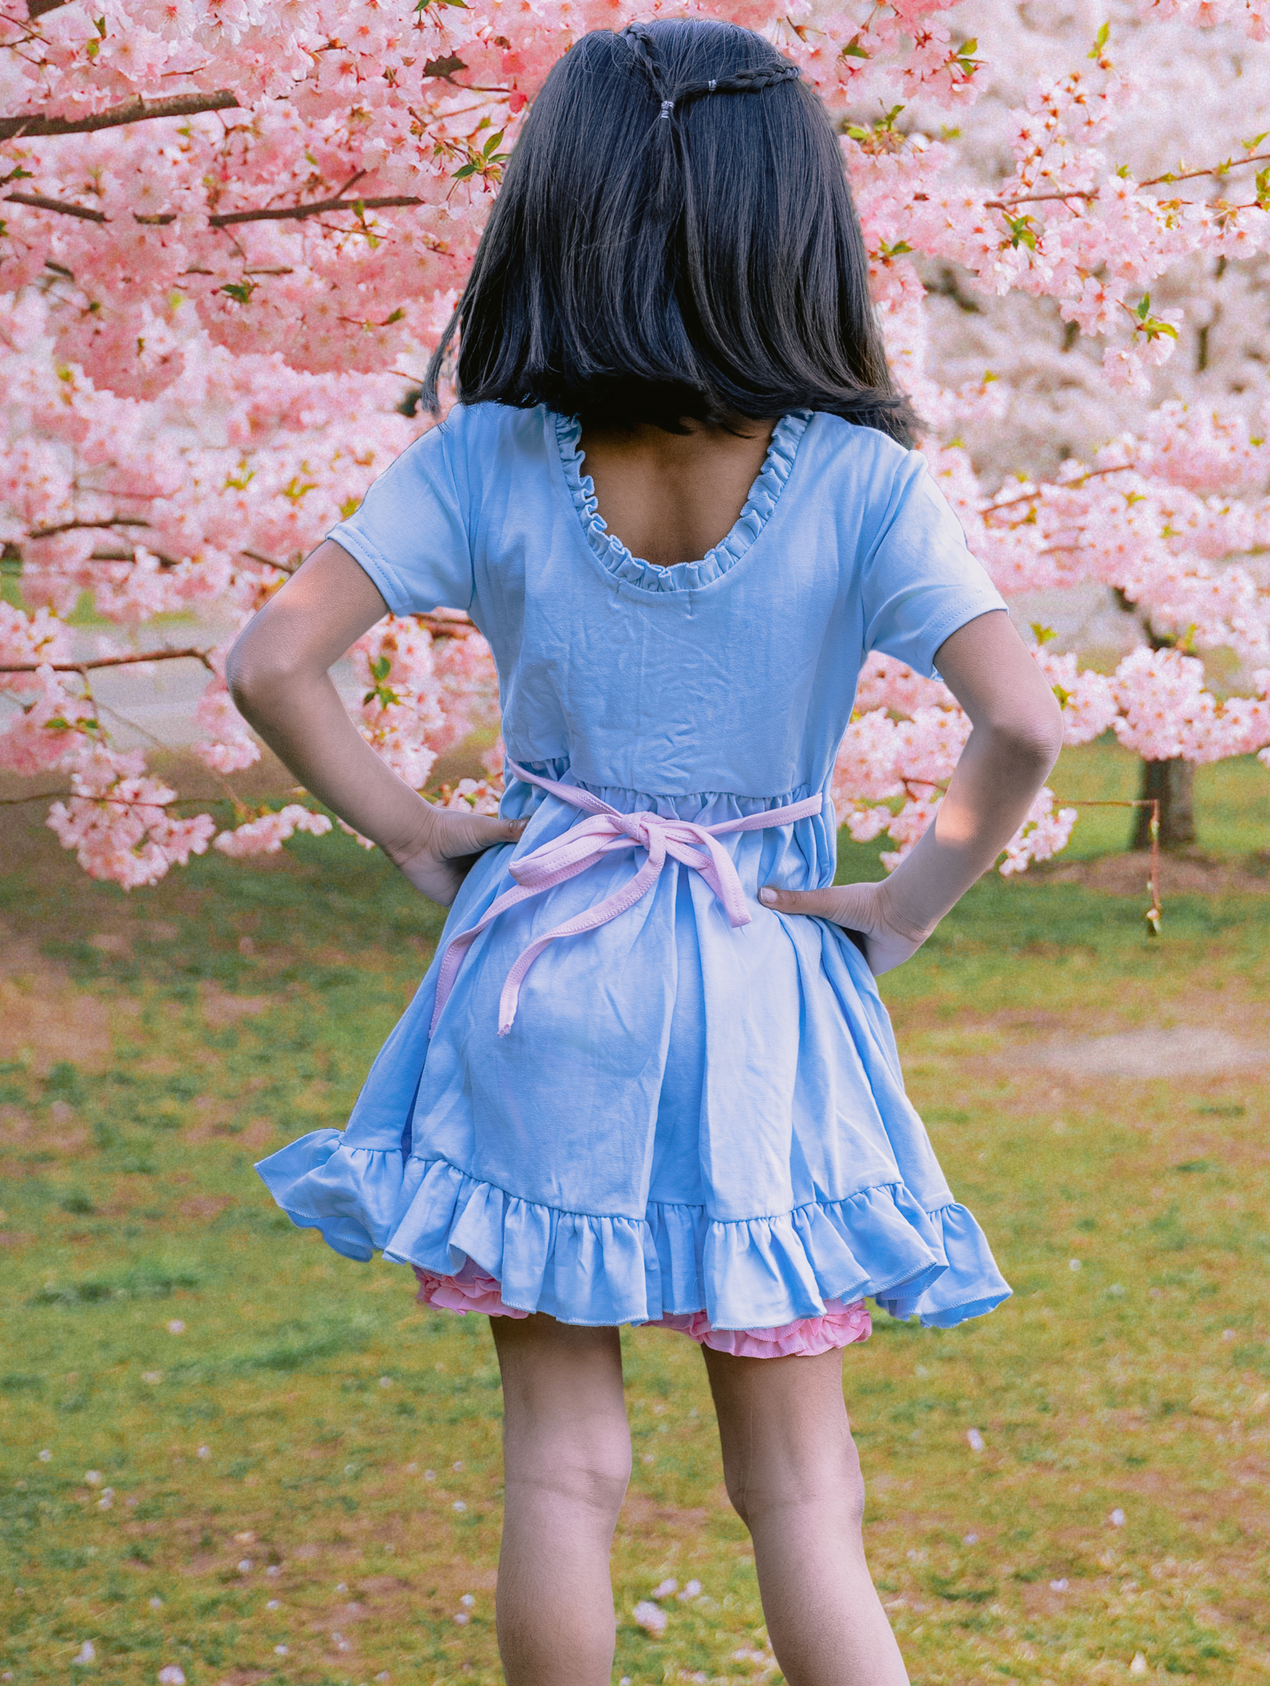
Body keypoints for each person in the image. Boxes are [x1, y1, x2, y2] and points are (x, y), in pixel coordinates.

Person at [229, 18, 1063, 1686]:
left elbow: (267, 662)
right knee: (801, 1489)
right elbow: (1026, 725)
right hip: (759, 985)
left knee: (560, 1464)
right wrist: (901, 904)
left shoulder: (485, 459)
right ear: (797, 232)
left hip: (540, 975)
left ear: (557, 218)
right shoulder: (860, 485)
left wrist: (410, 831)